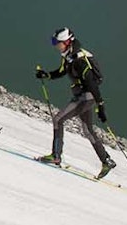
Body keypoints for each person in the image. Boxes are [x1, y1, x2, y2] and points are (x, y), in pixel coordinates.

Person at [33, 27, 116, 179]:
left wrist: (101, 105)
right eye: (54, 42)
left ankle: (56, 155)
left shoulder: (79, 60)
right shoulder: (69, 56)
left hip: (85, 97)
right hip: (85, 97)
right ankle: (106, 161)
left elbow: (91, 83)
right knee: (87, 130)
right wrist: (47, 75)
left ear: (67, 42)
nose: (56, 46)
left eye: (58, 43)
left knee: (58, 119)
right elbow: (62, 71)